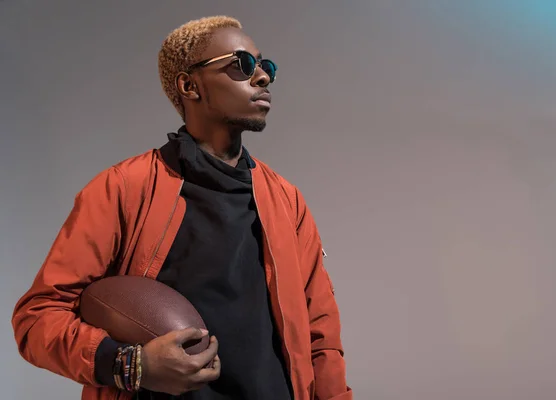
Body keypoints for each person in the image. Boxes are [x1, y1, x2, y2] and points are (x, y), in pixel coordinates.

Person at [11, 15, 351, 400]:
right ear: (190, 85)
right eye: (242, 64)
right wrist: (129, 365)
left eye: (265, 66)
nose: (262, 77)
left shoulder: (287, 201)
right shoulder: (123, 188)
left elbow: (321, 338)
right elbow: (37, 318)